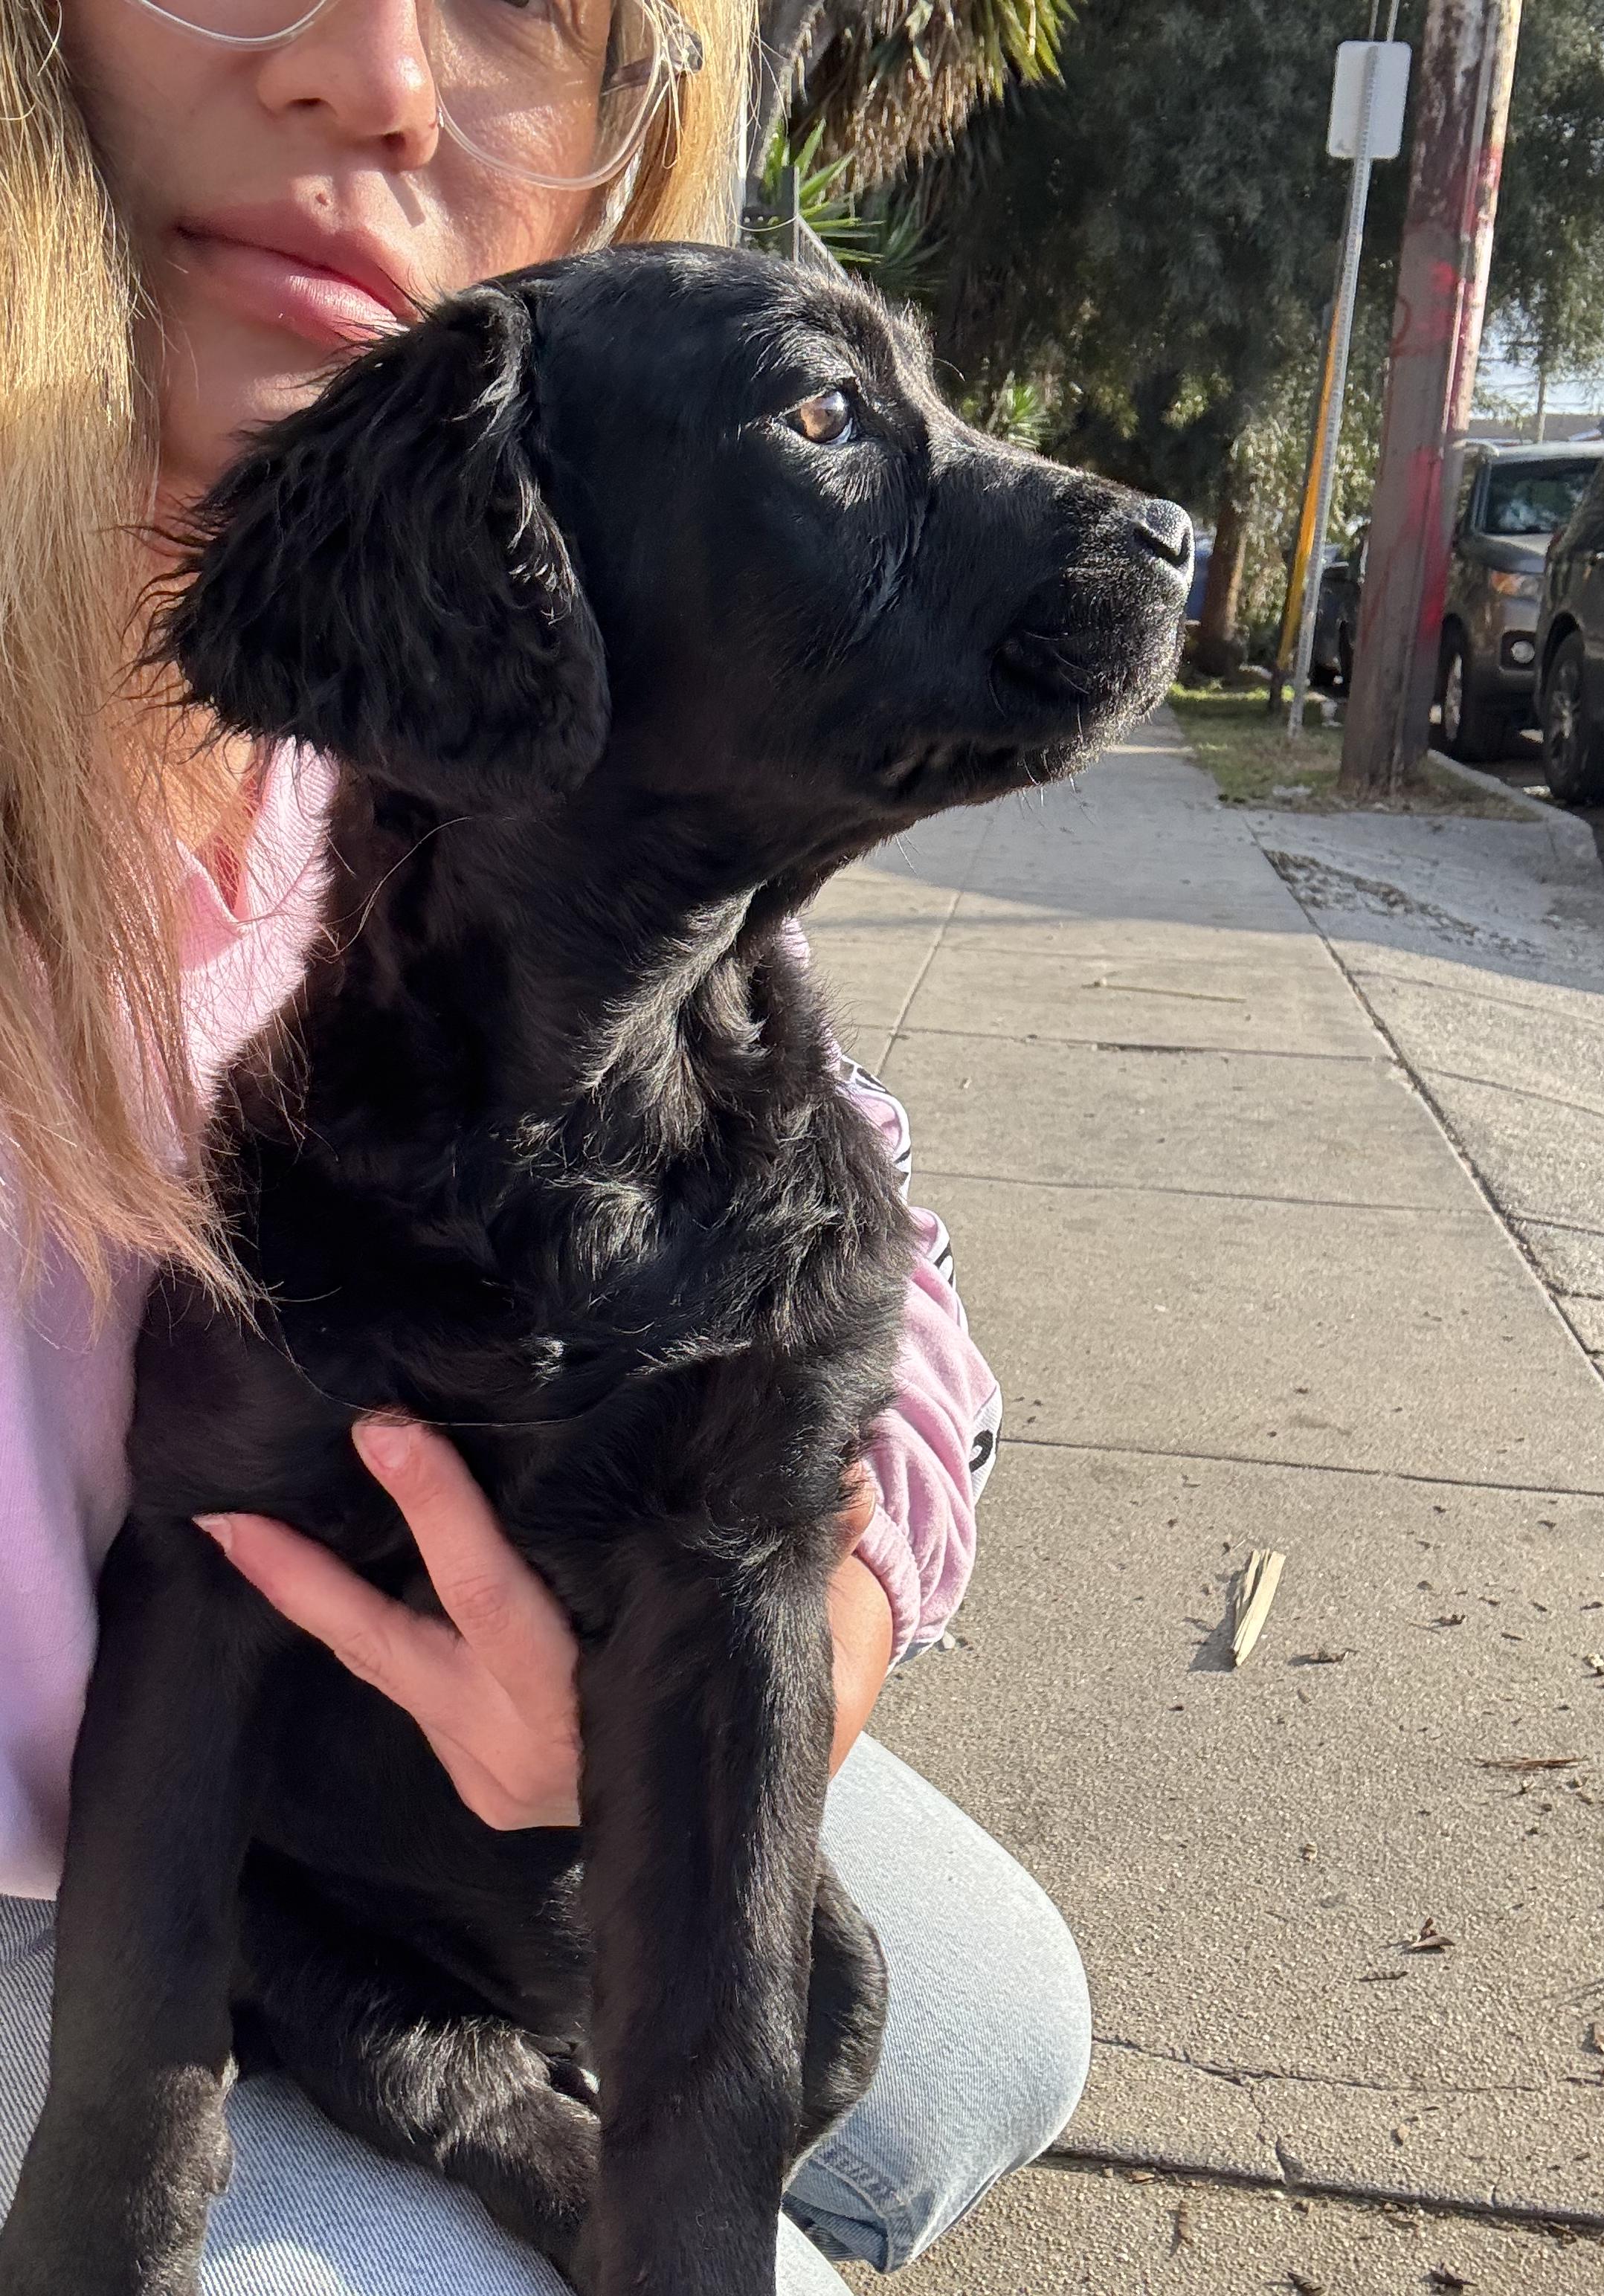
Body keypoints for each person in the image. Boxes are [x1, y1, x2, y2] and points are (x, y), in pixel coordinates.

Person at [0, 1, 1092, 2288]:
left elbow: (856, 1244)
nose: (380, 75)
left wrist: (777, 1615)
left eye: (534, 0)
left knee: (963, 2022)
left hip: (436, 1773)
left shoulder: (452, 651)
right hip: (113, 1884)